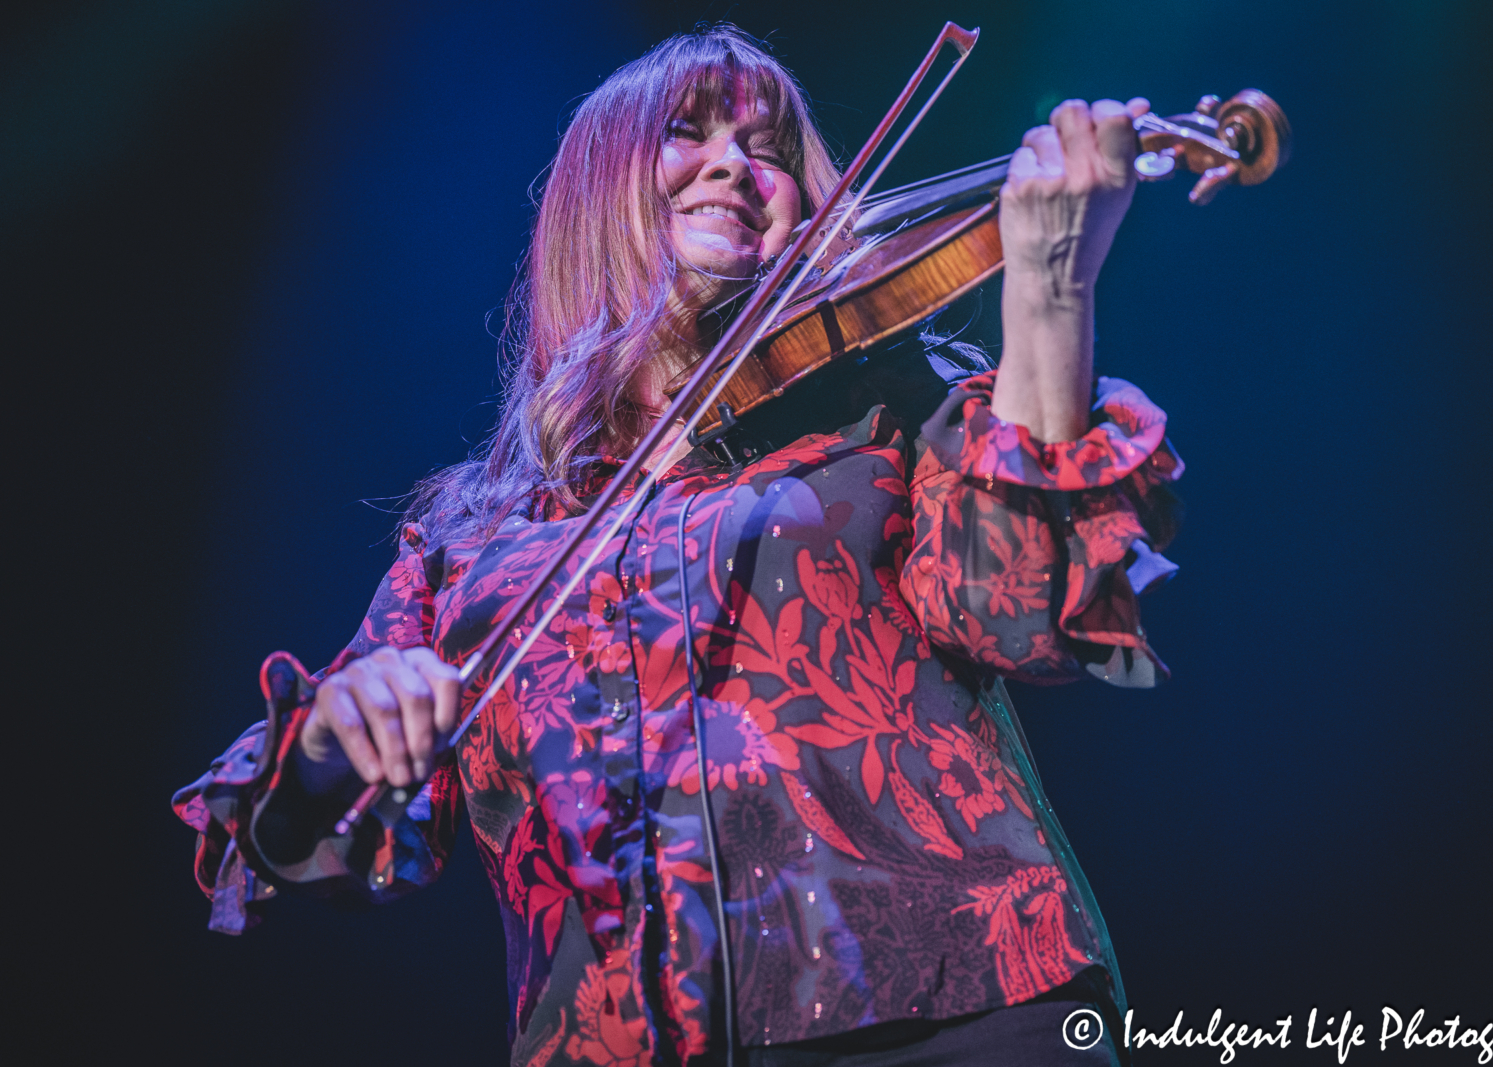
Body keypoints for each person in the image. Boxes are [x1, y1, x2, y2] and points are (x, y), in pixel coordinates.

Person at [174, 25, 1184, 1067]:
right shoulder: (471, 539)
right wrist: (339, 729)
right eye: (685, 133)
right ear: (595, 197)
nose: (737, 166)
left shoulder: (889, 413)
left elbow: (1023, 618)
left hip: (954, 1009)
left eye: (772, 149)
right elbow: (293, 833)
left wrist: (1050, 293)